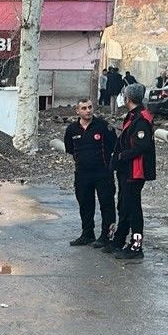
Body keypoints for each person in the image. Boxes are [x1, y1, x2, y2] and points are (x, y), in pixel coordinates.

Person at [106, 83, 155, 260]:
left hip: (134, 170)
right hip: (126, 169)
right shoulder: (133, 115)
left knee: (134, 208)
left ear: (128, 98)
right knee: (124, 205)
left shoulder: (141, 118)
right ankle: (119, 239)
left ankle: (136, 246)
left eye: (124, 96)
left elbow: (141, 145)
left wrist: (120, 156)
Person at [64, 98, 117, 247]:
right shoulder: (72, 129)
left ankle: (107, 236)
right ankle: (87, 234)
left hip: (103, 173)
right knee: (85, 204)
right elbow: (69, 148)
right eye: (84, 108)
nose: (88, 110)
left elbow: (113, 145)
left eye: (90, 107)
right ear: (77, 111)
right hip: (82, 174)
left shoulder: (103, 126)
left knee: (106, 204)